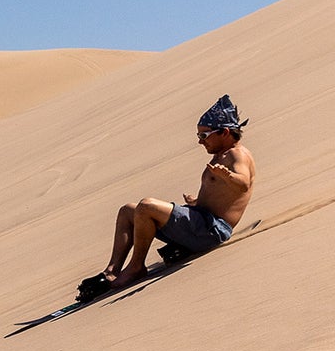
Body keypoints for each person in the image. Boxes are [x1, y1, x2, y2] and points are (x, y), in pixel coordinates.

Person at [82, 96, 256, 297]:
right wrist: (197, 202)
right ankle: (112, 270)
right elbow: (224, 197)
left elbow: (243, 184)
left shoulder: (237, 155)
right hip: (200, 219)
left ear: (224, 132)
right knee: (128, 211)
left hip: (212, 229)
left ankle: (136, 267)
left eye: (205, 135)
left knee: (146, 206)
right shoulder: (221, 155)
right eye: (199, 135)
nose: (200, 141)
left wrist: (227, 175)